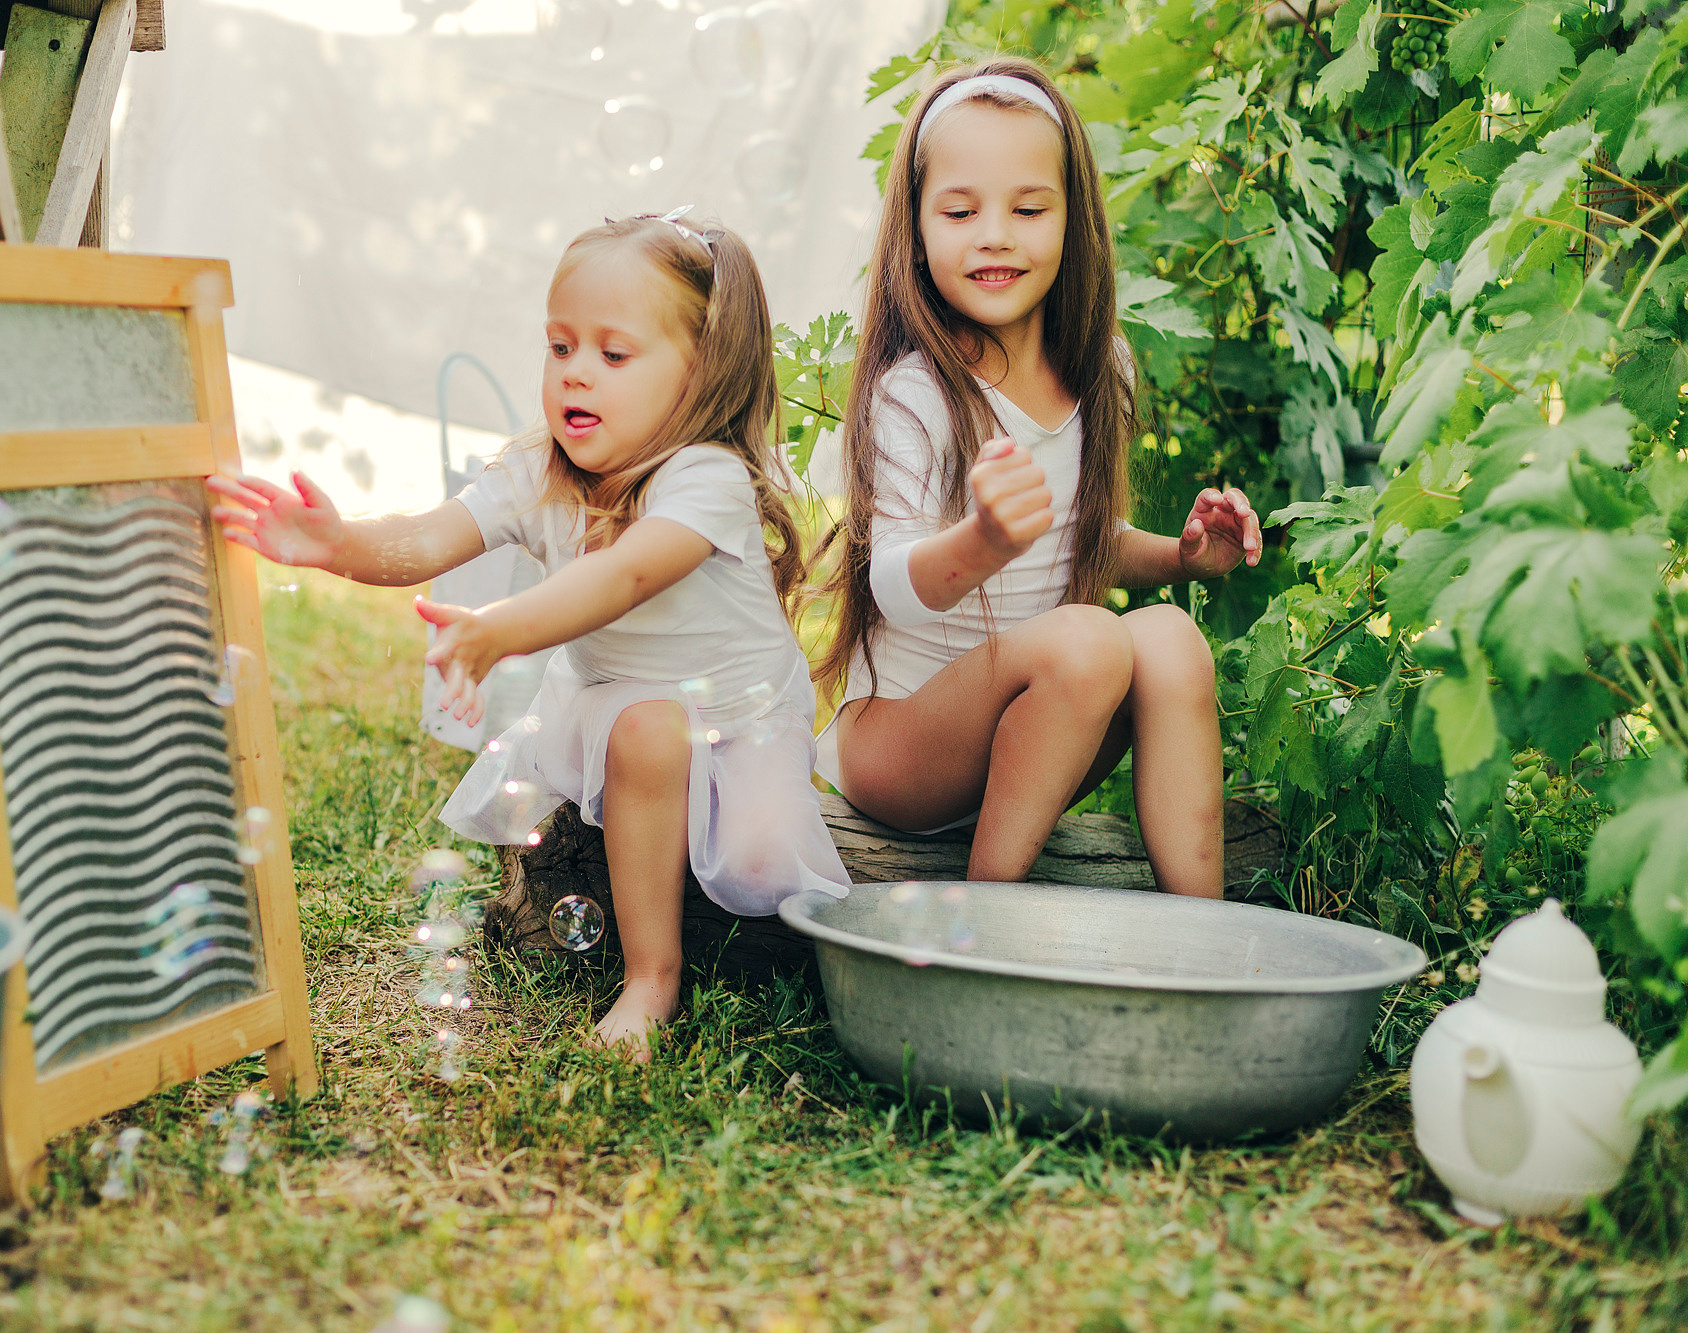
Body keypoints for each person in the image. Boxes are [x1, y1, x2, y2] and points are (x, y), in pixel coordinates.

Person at [208, 210, 849, 1059]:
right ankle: (651, 976)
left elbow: (622, 576)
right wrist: (339, 544)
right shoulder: (538, 469)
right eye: (559, 347)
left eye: (613, 354)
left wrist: (499, 629)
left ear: (703, 374)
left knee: (764, 867)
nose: (575, 375)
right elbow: (431, 535)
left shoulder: (707, 477)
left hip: (741, 711)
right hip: (619, 703)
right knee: (648, 731)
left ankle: (708, 833)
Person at [813, 58, 1262, 898]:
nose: (995, 234)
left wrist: (1188, 557)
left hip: (1037, 735)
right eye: (960, 210)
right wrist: (979, 541)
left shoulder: (1101, 370)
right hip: (904, 746)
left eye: (1028, 208)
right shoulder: (914, 393)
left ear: (1072, 220)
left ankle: (1198, 931)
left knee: (1169, 640)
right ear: (915, 228)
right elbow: (893, 583)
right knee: (1089, 637)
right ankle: (987, 926)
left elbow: (1084, 540)